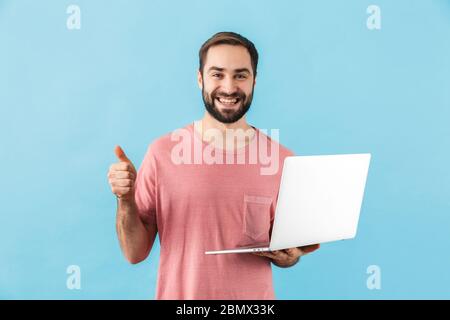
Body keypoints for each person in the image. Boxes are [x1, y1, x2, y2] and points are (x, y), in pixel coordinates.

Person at [107, 31, 319, 299]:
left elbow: (288, 251)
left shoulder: (283, 160)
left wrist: (289, 256)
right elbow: (133, 253)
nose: (229, 87)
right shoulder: (162, 153)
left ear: (254, 80)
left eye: (240, 75)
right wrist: (125, 199)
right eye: (217, 74)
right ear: (200, 79)